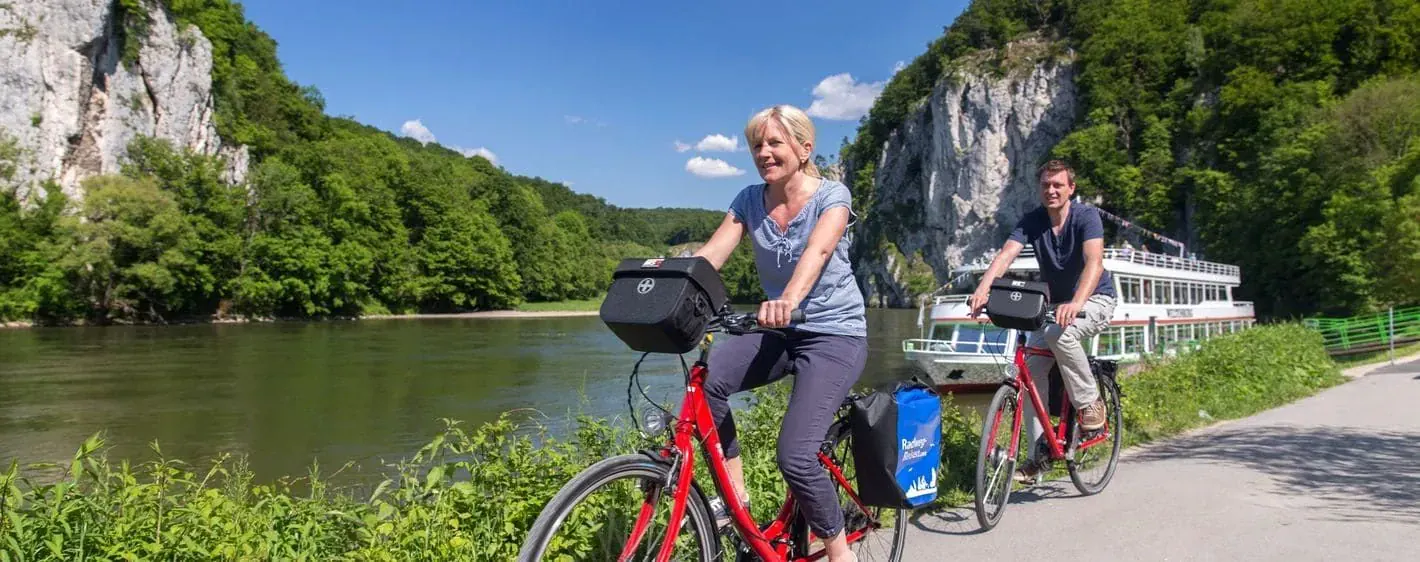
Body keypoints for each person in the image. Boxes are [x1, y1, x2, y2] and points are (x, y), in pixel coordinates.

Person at [693, 104, 866, 562]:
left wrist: (788, 298)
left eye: (775, 143)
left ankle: (837, 549)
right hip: (779, 331)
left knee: (795, 456)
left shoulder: (833, 195)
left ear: (804, 149)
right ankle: (736, 502)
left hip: (835, 335)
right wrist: (665, 287)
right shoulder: (750, 199)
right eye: (757, 145)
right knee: (707, 383)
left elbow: (820, 248)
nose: (764, 153)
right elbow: (711, 255)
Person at [967, 159, 1118, 483]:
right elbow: (1006, 255)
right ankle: (1038, 457)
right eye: (1046, 185)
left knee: (1059, 335)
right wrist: (982, 289)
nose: (1051, 190)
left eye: (1058, 185)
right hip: (1056, 306)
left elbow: (1094, 262)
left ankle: (1091, 404)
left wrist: (1078, 302)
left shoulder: (1086, 216)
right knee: (1031, 372)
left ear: (1070, 189)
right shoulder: (1033, 221)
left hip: (1095, 299)